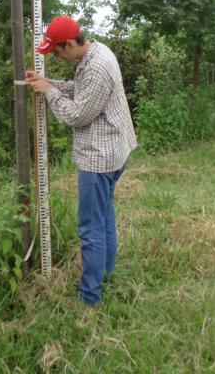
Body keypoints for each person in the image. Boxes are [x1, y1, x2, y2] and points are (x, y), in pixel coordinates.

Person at [25, 16, 137, 306]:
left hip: (100, 158)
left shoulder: (97, 66)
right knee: (104, 216)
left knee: (90, 227)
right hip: (113, 150)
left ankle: (90, 298)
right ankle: (107, 274)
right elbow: (81, 90)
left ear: (72, 43)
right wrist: (51, 83)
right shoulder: (95, 54)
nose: (58, 58)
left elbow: (77, 115)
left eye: (58, 52)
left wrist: (49, 92)